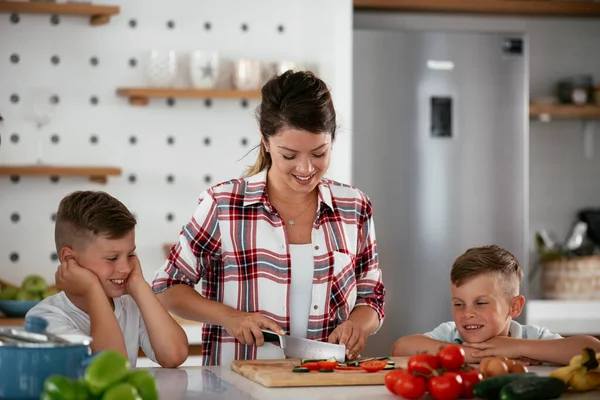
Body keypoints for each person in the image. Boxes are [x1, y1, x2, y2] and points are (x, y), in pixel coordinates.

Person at [152, 70, 386, 366]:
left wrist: (357, 326)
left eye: (319, 153)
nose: (305, 168)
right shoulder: (224, 204)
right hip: (237, 384)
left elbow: (371, 297)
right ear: (265, 141)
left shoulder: (354, 206)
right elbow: (167, 287)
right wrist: (231, 317)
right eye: (289, 155)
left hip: (328, 383)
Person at [26, 191, 189, 368]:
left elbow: (174, 355)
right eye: (112, 258)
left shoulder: (129, 304)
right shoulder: (45, 319)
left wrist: (139, 284)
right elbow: (112, 368)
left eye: (130, 254)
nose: (126, 268)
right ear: (69, 259)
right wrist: (92, 290)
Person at [391, 245, 600, 365]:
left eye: (481, 303)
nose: (468, 313)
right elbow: (401, 348)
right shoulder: (451, 335)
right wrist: (475, 355)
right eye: (459, 304)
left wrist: (517, 348)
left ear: (515, 307)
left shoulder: (529, 338)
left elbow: (593, 351)